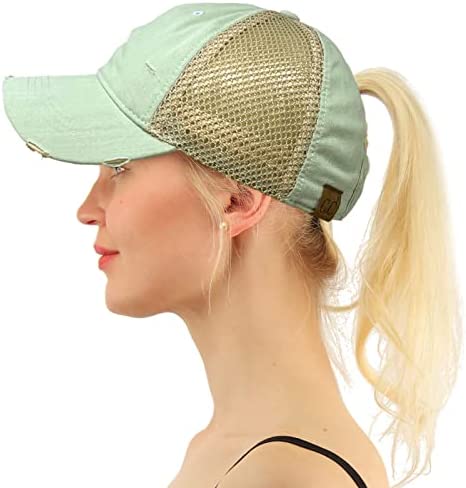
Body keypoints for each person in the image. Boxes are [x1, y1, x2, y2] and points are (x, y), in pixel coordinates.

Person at [3, 3, 462, 488]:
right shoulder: (230, 451)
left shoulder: (288, 476)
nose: (87, 209)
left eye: (119, 167)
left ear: (237, 201)